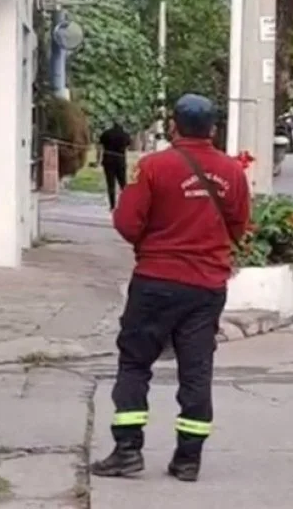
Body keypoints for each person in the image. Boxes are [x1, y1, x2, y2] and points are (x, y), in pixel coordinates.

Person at [91, 94, 250, 483]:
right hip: (207, 287)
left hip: (156, 283)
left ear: (174, 126)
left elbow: (127, 223)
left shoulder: (152, 168)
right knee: (196, 370)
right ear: (213, 130)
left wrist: (155, 240)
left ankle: (128, 450)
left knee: (134, 363)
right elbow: (240, 226)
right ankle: (188, 460)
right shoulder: (232, 172)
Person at [97, 122, 132, 210]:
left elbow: (100, 145)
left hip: (108, 158)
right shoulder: (125, 135)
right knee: (123, 183)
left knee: (110, 184)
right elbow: (128, 145)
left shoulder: (106, 133)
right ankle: (127, 203)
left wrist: (98, 160)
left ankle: (112, 205)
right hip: (120, 159)